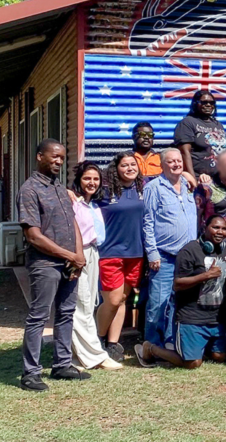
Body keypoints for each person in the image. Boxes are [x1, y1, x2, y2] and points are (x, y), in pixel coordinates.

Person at [17, 139, 88, 391]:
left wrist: (78, 256)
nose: (58, 161)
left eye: (61, 157)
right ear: (39, 157)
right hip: (45, 264)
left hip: (70, 264)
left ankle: (62, 365)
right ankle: (31, 373)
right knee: (38, 316)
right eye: (53, 156)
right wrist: (69, 255)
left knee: (66, 313)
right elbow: (33, 236)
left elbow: (74, 224)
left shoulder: (60, 188)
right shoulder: (29, 190)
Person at [136, 215, 226, 368]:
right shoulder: (189, 251)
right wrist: (206, 275)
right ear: (204, 227)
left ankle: (200, 347)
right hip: (192, 318)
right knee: (192, 363)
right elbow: (177, 284)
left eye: (224, 228)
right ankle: (151, 348)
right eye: (215, 227)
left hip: (216, 318)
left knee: (220, 356)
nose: (220, 232)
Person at [142, 147, 198, 350]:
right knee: (159, 303)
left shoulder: (187, 185)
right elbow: (148, 222)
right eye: (171, 161)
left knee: (180, 303)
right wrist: (152, 252)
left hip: (188, 258)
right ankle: (152, 346)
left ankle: (172, 343)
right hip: (164, 256)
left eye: (179, 161)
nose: (176, 164)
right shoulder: (153, 187)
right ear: (162, 165)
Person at [68, 161, 121, 371]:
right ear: (79, 180)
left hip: (94, 253)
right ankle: (95, 356)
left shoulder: (93, 204)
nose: (92, 183)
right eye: (87, 178)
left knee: (89, 304)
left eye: (96, 179)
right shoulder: (72, 201)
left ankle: (77, 356)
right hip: (78, 255)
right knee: (80, 303)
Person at [95, 151, 145, 363]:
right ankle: (95, 339)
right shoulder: (104, 192)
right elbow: (81, 196)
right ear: (116, 169)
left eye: (133, 164)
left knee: (123, 299)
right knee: (112, 299)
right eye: (124, 165)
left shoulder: (143, 188)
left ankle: (113, 343)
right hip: (110, 253)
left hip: (136, 253)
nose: (130, 168)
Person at [174, 90, 226, 177]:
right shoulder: (187, 122)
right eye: (204, 102)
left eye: (212, 102)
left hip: (218, 178)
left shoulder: (218, 125)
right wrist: (192, 179)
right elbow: (184, 153)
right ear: (196, 104)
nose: (208, 105)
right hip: (199, 177)